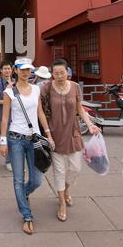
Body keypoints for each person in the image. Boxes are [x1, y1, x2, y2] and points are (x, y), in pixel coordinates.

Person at [40, 58, 100, 222]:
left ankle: (66, 190)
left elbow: (80, 108)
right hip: (55, 134)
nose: (59, 75)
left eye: (62, 72)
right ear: (52, 74)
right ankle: (61, 203)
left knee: (76, 169)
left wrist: (90, 124)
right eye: (56, 73)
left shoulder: (74, 87)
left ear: (67, 72)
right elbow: (38, 107)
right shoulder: (46, 88)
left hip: (73, 132)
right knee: (59, 171)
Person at [0, 58, 54, 235]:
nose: (26, 72)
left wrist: (48, 133)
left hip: (35, 139)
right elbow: (5, 118)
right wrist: (3, 141)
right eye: (22, 69)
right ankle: (27, 215)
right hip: (16, 139)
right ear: (15, 70)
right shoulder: (9, 92)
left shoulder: (36, 89)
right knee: (17, 179)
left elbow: (39, 112)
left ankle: (23, 195)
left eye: (29, 69)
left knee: (37, 179)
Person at [0, 60, 14, 171]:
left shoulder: (16, 83)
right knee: (7, 139)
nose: (7, 70)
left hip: (15, 116)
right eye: (5, 68)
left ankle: (14, 161)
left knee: (15, 140)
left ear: (12, 70)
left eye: (9, 68)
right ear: (1, 70)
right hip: (2, 116)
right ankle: (8, 161)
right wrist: (7, 102)